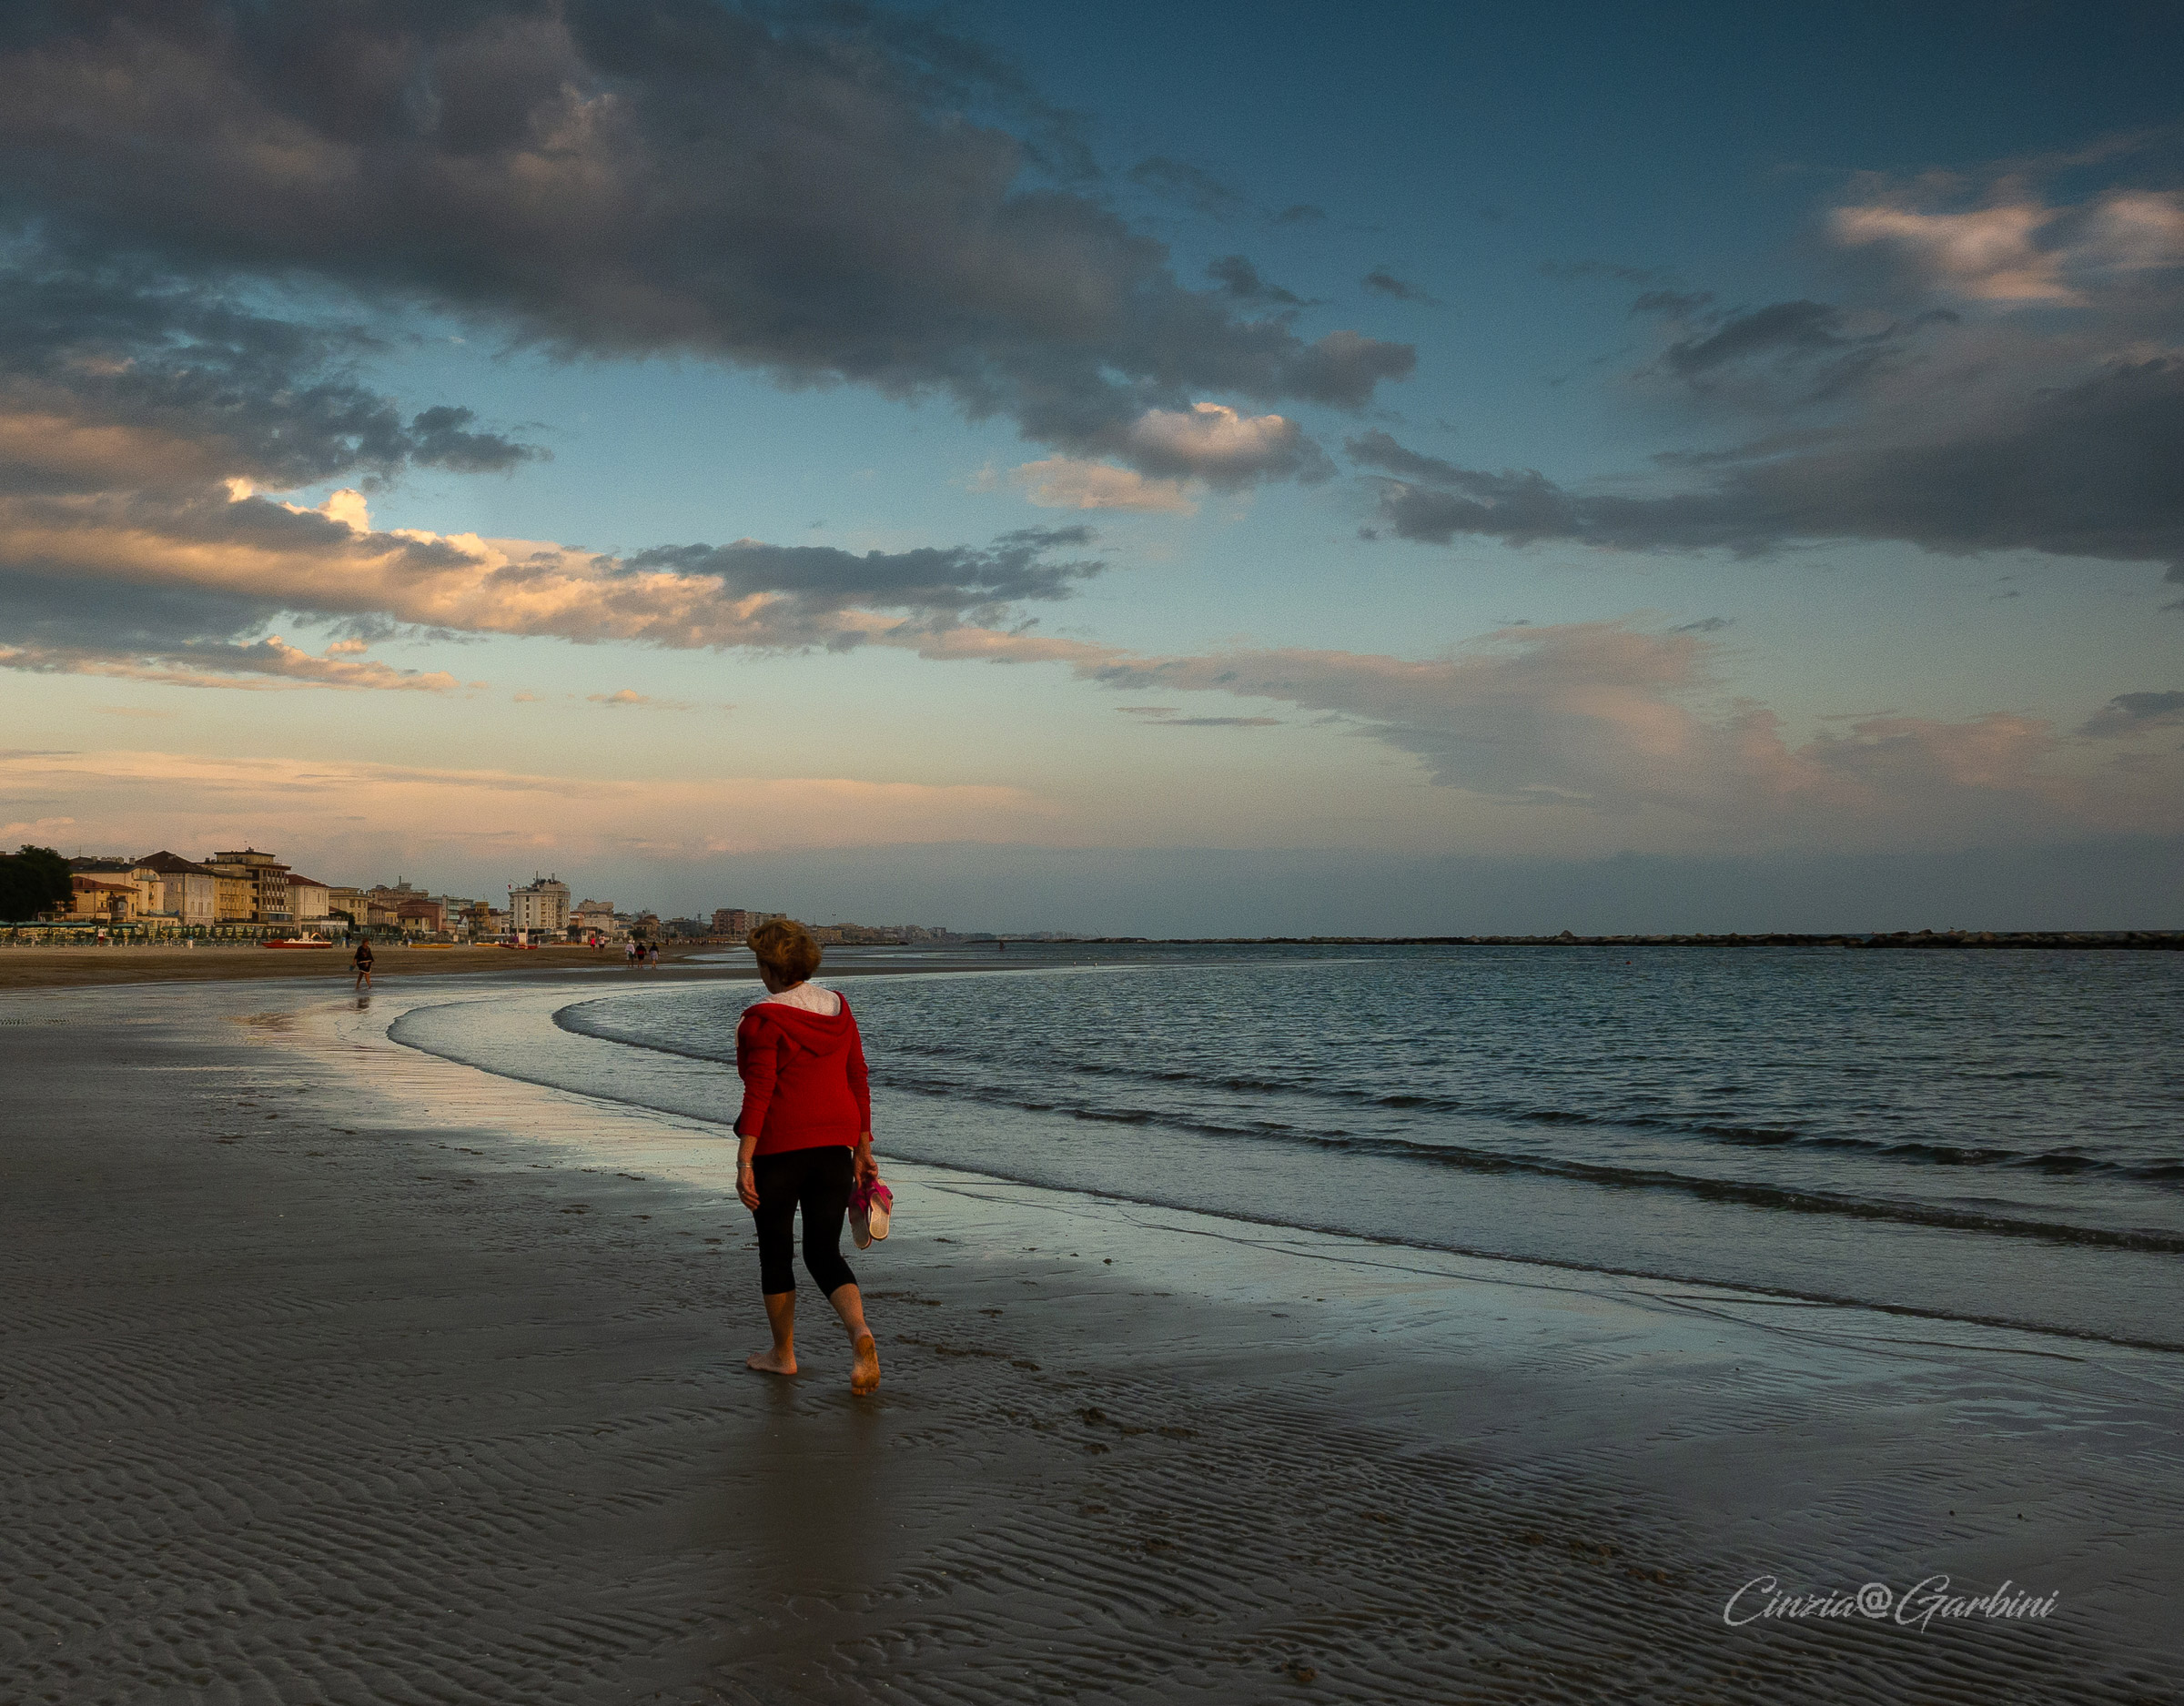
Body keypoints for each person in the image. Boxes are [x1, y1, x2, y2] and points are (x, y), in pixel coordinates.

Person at [733, 918, 881, 1393]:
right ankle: (860, 1333)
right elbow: (857, 1076)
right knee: (824, 1251)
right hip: (833, 1148)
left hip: (779, 1150)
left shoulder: (762, 1018)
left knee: (777, 1251)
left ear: (767, 966)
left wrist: (744, 1161)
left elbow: (759, 1091)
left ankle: (783, 1355)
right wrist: (863, 1146)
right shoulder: (838, 1008)